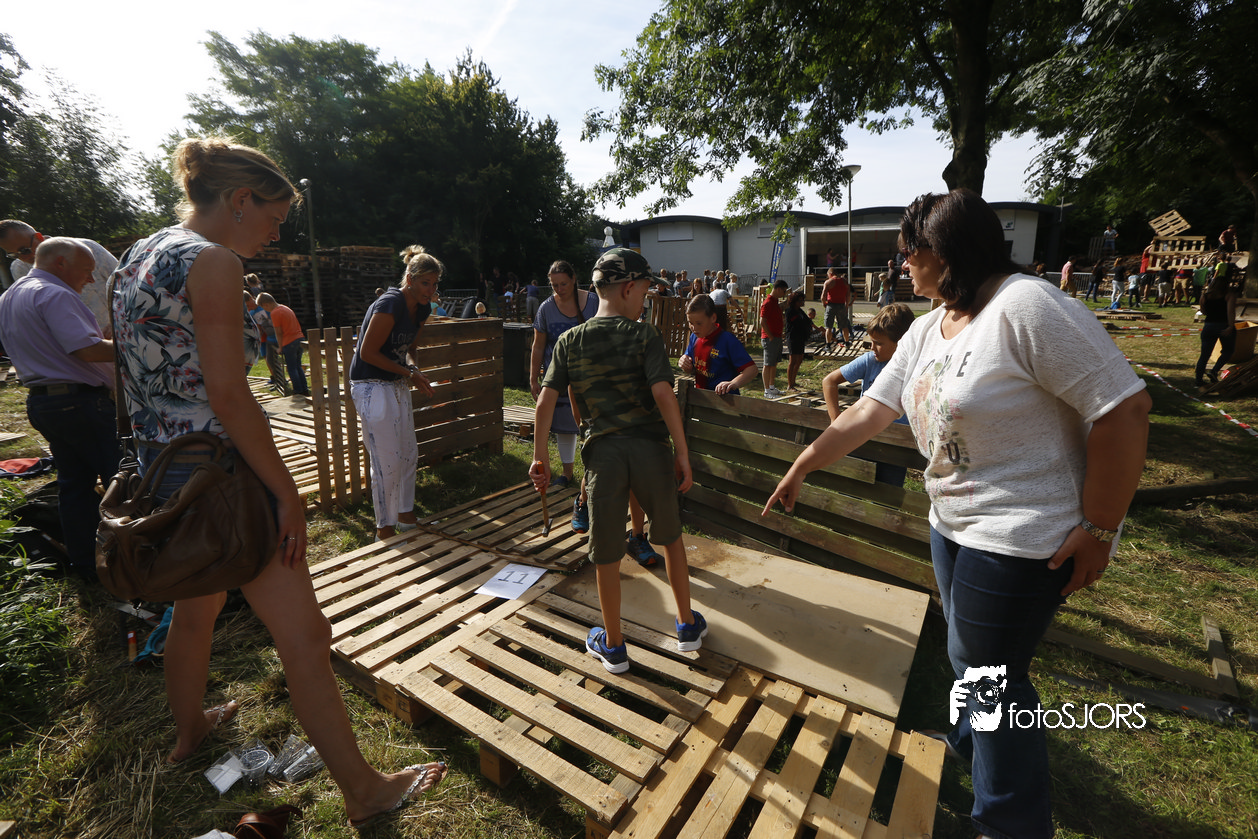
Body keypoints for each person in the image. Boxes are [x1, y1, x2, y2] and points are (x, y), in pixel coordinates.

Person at [765, 189, 1150, 839]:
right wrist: (805, 462)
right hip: (953, 524)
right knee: (966, 654)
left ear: (945, 251)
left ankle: (1009, 823)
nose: (902, 265)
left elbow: (1124, 408)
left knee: (994, 676)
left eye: (909, 252)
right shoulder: (929, 325)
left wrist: (1099, 528)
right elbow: (871, 410)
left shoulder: (1026, 306)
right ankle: (969, 745)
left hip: (1023, 531)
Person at [111, 137, 445, 826]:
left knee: (195, 612)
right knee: (306, 636)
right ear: (240, 200)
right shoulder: (213, 262)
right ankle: (365, 792)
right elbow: (232, 396)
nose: (276, 234)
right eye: (274, 217)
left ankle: (189, 729)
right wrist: (288, 495)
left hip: (165, 474)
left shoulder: (139, 254)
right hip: (225, 478)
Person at [528, 248, 706, 674]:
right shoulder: (645, 336)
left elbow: (547, 401)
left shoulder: (570, 340)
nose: (645, 300)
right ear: (628, 288)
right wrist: (682, 453)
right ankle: (686, 625)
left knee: (606, 551)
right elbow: (664, 394)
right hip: (651, 452)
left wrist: (539, 458)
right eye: (644, 291)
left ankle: (614, 645)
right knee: (670, 537)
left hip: (603, 457)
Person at [0, 237, 121, 579]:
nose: (91, 279)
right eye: (86, 270)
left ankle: (86, 563)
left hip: (46, 402)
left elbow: (57, 346)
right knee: (120, 482)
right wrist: (129, 344)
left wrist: (101, 340)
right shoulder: (54, 293)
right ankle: (133, 561)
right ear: (61, 263)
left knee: (74, 484)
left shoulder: (10, 295)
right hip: (79, 402)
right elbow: (86, 350)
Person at [349, 246, 440, 541]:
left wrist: (413, 369)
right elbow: (367, 352)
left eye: (434, 284)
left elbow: (410, 349)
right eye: (425, 282)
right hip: (370, 385)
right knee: (386, 460)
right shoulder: (390, 303)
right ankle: (384, 529)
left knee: (408, 453)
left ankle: (405, 514)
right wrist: (409, 374)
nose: (430, 290)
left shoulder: (423, 308)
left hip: (396, 382)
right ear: (410, 279)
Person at [820, 302, 916, 486]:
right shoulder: (870, 361)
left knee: (888, 493)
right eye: (872, 341)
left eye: (879, 343)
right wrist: (835, 420)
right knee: (851, 487)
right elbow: (829, 381)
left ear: (902, 343)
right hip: (863, 439)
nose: (872, 347)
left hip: (896, 445)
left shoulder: (915, 368)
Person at [530, 260, 598, 494]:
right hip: (558, 378)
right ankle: (567, 472)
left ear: (574, 279)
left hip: (590, 377)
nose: (559, 289)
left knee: (592, 424)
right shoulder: (546, 309)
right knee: (564, 427)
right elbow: (538, 346)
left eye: (563, 284)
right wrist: (533, 378)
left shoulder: (594, 302)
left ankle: (593, 472)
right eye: (554, 285)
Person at [0, 218, 116, 336]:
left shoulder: (88, 248)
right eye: (14, 255)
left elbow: (123, 282)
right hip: (81, 340)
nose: (23, 258)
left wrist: (116, 321)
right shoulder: (20, 269)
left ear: (38, 237)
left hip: (119, 329)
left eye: (25, 250)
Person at [680, 293, 757, 395]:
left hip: (726, 400)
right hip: (701, 398)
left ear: (713, 318)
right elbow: (690, 367)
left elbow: (752, 370)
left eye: (699, 323)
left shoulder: (727, 340)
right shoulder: (694, 337)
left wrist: (733, 383)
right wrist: (684, 362)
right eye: (690, 323)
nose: (694, 328)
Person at [1195, 259, 1239, 388]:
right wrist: (1230, 326)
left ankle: (1198, 380)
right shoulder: (1229, 295)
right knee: (1228, 351)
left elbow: (1203, 311)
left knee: (1204, 355)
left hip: (1209, 326)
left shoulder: (1205, 296)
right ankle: (1214, 371)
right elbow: (1230, 311)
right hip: (1223, 325)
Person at [258, 293, 310, 396]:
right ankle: (304, 389)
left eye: (263, 307)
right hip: (299, 339)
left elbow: (278, 332)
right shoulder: (286, 308)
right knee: (298, 366)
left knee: (292, 368)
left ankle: (298, 390)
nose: (265, 310)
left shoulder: (275, 313)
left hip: (289, 342)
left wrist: (280, 347)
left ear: (266, 304)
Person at [245, 289, 286, 393]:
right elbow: (258, 327)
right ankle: (275, 378)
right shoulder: (251, 312)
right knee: (268, 358)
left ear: (251, 299)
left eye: (248, 305)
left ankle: (281, 380)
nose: (248, 308)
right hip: (265, 338)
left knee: (275, 359)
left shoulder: (263, 306)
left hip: (275, 335)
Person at [759, 279, 788, 398]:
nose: (784, 294)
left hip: (776, 337)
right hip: (769, 338)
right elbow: (762, 321)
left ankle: (771, 387)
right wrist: (770, 336)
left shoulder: (775, 302)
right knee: (767, 364)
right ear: (778, 289)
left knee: (774, 363)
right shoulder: (768, 303)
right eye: (784, 291)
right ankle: (767, 391)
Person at [784, 290, 814, 390]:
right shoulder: (790, 311)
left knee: (799, 360)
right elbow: (795, 323)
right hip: (793, 338)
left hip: (801, 337)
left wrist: (817, 328)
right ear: (794, 301)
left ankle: (793, 381)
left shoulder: (800, 311)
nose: (802, 302)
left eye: (802, 300)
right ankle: (790, 385)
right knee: (792, 361)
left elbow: (808, 321)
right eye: (800, 300)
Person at [821, 267, 852, 350]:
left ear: (830, 274)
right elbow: (848, 296)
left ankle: (828, 345)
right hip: (841, 305)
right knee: (844, 326)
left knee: (829, 327)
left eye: (828, 275)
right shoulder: (845, 282)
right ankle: (847, 343)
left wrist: (824, 304)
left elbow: (823, 296)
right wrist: (846, 305)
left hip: (831, 305)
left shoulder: (828, 282)